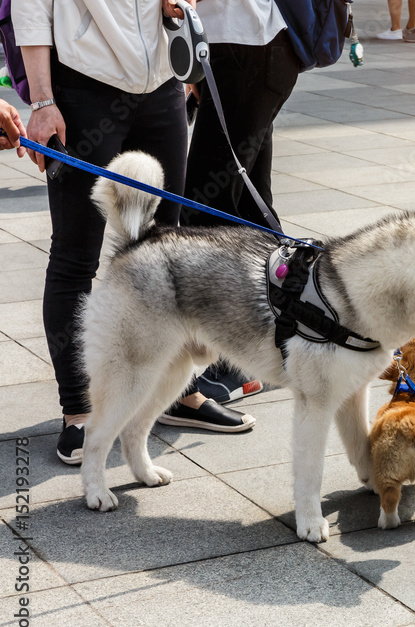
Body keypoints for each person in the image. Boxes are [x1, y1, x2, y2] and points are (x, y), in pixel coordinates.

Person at [16, 0, 254, 466]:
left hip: (161, 83)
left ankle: (178, 394)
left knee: (170, 254)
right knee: (74, 255)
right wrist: (43, 102)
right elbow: (29, 6)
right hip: (82, 87)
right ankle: (80, 411)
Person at [157, 0, 300, 425]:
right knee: (245, 207)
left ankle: (236, 361)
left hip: (246, 50)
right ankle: (275, 343)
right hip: (249, 48)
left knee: (208, 213)